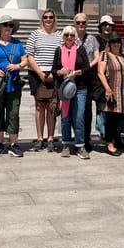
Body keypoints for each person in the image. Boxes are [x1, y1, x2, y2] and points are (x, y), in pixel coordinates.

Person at [0, 15, 28, 158]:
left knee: (13, 114)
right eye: (5, 25)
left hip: (13, 85)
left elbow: (25, 59)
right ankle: (0, 143)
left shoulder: (17, 43)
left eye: (11, 25)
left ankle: (13, 144)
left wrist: (17, 66)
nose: (8, 27)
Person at [52, 25, 92, 159]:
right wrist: (60, 71)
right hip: (64, 89)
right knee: (65, 117)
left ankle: (80, 144)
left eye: (72, 35)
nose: (69, 37)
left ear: (75, 37)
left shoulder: (80, 50)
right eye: (66, 35)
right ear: (63, 37)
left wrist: (76, 73)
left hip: (80, 87)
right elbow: (53, 70)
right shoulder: (59, 50)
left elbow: (87, 68)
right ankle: (66, 143)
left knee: (79, 116)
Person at [26, 9, 62, 151]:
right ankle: (40, 138)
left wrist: (54, 72)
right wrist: (40, 73)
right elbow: (29, 55)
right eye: (45, 17)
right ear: (42, 19)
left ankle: (51, 138)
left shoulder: (59, 35)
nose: (48, 19)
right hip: (37, 74)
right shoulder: (35, 34)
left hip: (53, 74)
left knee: (51, 107)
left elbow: (62, 55)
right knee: (39, 106)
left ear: (54, 19)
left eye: (51, 17)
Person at [97, 32, 124, 155]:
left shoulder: (123, 56)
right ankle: (109, 144)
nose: (116, 44)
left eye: (117, 41)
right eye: (113, 42)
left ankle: (116, 140)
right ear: (109, 43)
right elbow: (100, 72)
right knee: (110, 118)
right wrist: (107, 88)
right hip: (112, 90)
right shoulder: (105, 55)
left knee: (119, 118)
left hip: (123, 92)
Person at [74, 13, 101, 153]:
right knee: (75, 109)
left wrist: (86, 67)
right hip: (74, 77)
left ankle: (86, 137)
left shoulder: (92, 39)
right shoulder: (70, 37)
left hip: (88, 77)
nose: (81, 25)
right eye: (78, 22)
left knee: (87, 109)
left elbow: (97, 57)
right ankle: (76, 137)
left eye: (83, 22)